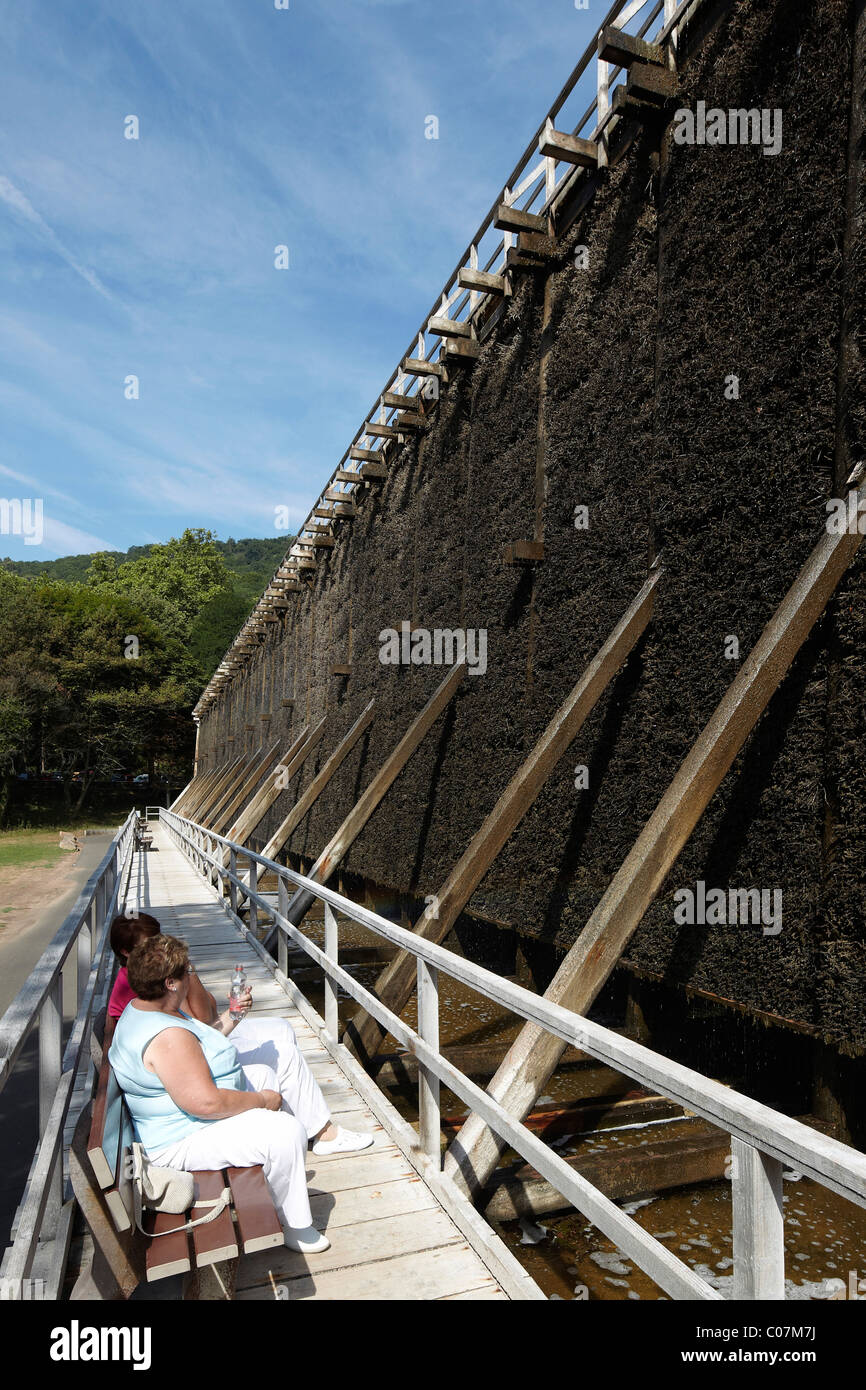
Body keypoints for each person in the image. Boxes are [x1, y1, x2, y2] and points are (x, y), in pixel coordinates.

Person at [109, 934, 369, 1254]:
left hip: (178, 1119)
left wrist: (232, 1016)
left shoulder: (149, 1007)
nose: (192, 975)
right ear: (171, 983)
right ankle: (294, 1225)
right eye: (187, 971)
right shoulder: (168, 1037)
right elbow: (206, 1103)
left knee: (263, 1074)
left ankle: (278, 1182)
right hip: (178, 1140)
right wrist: (261, 1102)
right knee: (286, 1131)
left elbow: (198, 1057)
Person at [108, 913, 369, 1159]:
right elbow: (200, 1027)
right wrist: (262, 1100)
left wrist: (230, 1011)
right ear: (127, 953)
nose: (158, 950)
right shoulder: (157, 999)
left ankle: (308, 1126)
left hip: (190, 1077)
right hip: (182, 1122)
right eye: (149, 946)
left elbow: (203, 1021)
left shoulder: (158, 995)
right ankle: (314, 1133)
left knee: (280, 1036)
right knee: (282, 1063)